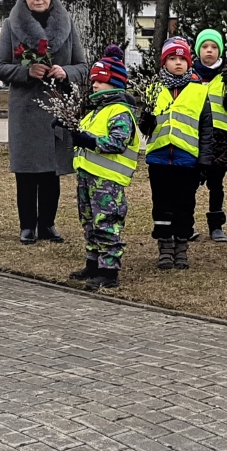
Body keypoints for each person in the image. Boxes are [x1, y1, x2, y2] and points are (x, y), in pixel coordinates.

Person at [0, 0, 87, 245]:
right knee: (26, 171)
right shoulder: (11, 25)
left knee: (50, 171)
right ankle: (27, 226)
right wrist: (26, 71)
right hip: (25, 110)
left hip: (56, 108)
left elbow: (83, 66)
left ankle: (47, 224)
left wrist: (65, 71)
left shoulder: (67, 25)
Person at [63, 46, 139, 291]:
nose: (94, 85)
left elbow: (117, 143)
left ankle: (109, 271)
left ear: (114, 83)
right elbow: (83, 136)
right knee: (89, 221)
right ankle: (93, 263)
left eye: (100, 80)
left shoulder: (120, 111)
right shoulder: (96, 112)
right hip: (88, 178)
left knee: (106, 222)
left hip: (107, 181)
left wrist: (88, 141)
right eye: (93, 80)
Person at [138, 37, 213, 270]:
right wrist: (146, 120)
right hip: (159, 160)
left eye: (182, 58)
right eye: (172, 58)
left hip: (187, 161)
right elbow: (144, 128)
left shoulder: (199, 91)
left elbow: (206, 129)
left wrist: (204, 161)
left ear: (189, 62)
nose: (178, 63)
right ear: (164, 62)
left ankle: (181, 247)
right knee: (161, 206)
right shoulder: (154, 90)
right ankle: (165, 247)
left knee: (184, 206)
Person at [191, 28, 227, 242]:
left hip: (220, 138)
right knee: (190, 182)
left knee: (216, 184)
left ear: (220, 50)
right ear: (198, 50)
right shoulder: (189, 75)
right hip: (193, 135)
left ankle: (216, 225)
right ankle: (187, 224)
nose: (209, 50)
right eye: (205, 46)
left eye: (214, 47)